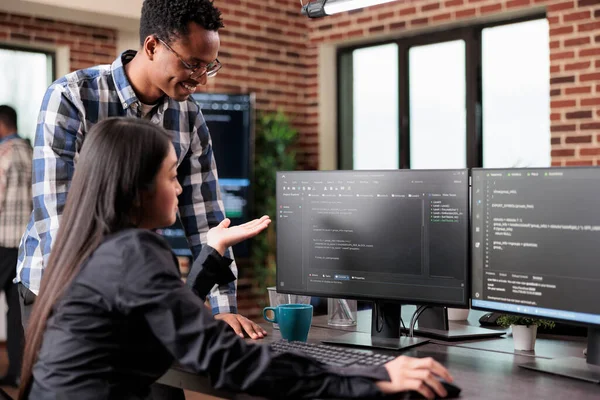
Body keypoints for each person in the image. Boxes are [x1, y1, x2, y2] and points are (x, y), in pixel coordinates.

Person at [18, 117, 453, 400]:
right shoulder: (134, 251)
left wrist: (210, 255)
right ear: (137, 188)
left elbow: (162, 318)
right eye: (172, 176)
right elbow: (224, 358)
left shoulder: (92, 247)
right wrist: (372, 379)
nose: (181, 188)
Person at [17, 0, 263, 343]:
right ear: (151, 46)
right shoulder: (73, 96)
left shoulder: (189, 117)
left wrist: (223, 306)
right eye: (193, 63)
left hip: (137, 291)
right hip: (63, 286)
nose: (202, 79)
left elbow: (206, 215)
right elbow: (59, 215)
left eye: (210, 66)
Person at [0, 105, 29, 388]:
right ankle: (17, 373)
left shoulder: (3, 154)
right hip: (24, 245)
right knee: (15, 311)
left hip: (2, 242)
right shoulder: (31, 153)